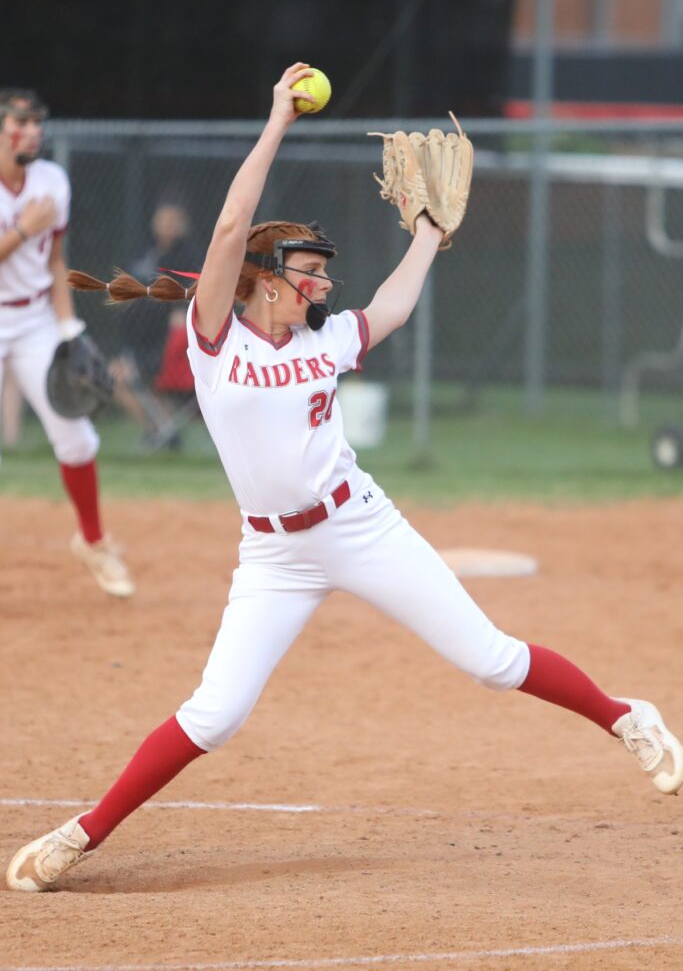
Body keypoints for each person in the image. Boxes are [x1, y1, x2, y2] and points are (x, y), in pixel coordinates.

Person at [6, 62, 682, 892]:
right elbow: (226, 233)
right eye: (305, 271)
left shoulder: (326, 342)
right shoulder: (222, 339)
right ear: (262, 284)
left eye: (322, 272)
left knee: (491, 660)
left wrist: (428, 233)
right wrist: (275, 123)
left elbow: (391, 308)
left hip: (358, 524)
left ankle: (626, 718)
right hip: (273, 557)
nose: (320, 282)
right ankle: (82, 835)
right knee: (215, 714)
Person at [0, 88, 134, 598]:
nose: (33, 131)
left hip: (35, 317)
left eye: (37, 123)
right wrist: (21, 230)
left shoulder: (52, 180)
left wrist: (68, 328)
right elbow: (20, 242)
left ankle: (94, 542)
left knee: (76, 437)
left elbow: (55, 261)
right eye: (20, 122)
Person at [109, 201, 200, 449]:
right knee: (115, 378)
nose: (167, 227)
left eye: (173, 222)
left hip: (167, 344)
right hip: (136, 339)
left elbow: (189, 300)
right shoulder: (143, 251)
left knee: (126, 377)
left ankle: (163, 432)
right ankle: (161, 430)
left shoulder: (187, 260)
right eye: (163, 220)